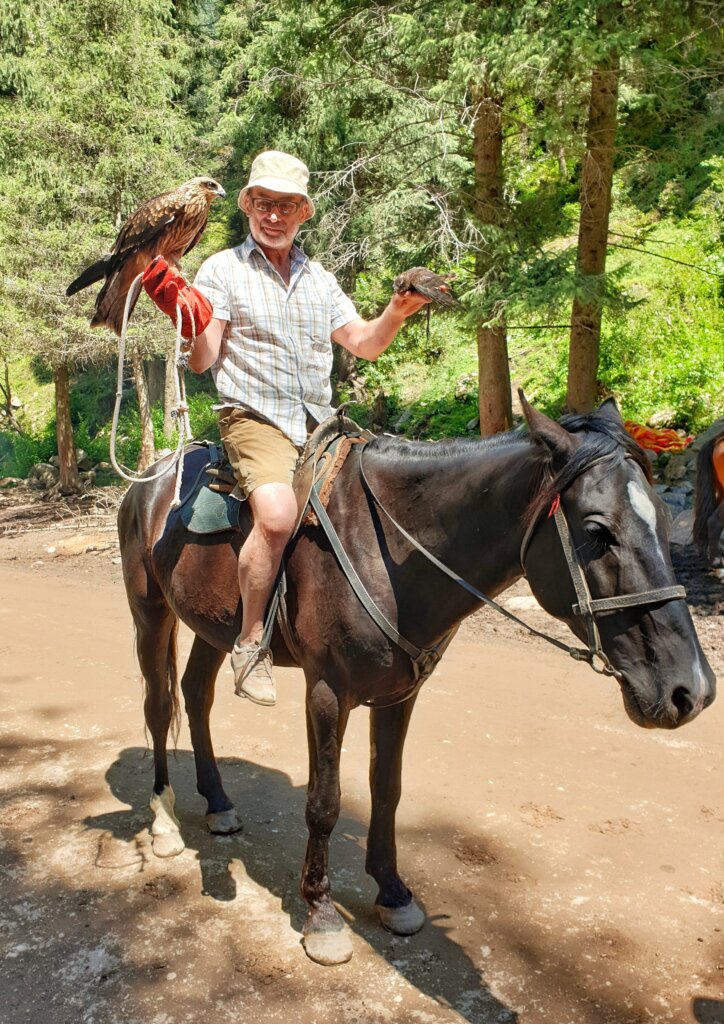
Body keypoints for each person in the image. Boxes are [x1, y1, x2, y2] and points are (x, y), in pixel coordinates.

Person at [141, 150, 432, 707]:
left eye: (287, 206)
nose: (274, 215)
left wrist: (396, 310)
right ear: (248, 205)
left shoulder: (319, 280)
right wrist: (188, 317)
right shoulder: (221, 270)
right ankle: (251, 643)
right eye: (264, 203)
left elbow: (365, 343)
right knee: (276, 516)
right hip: (253, 418)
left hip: (321, 423)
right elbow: (203, 360)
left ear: (304, 213)